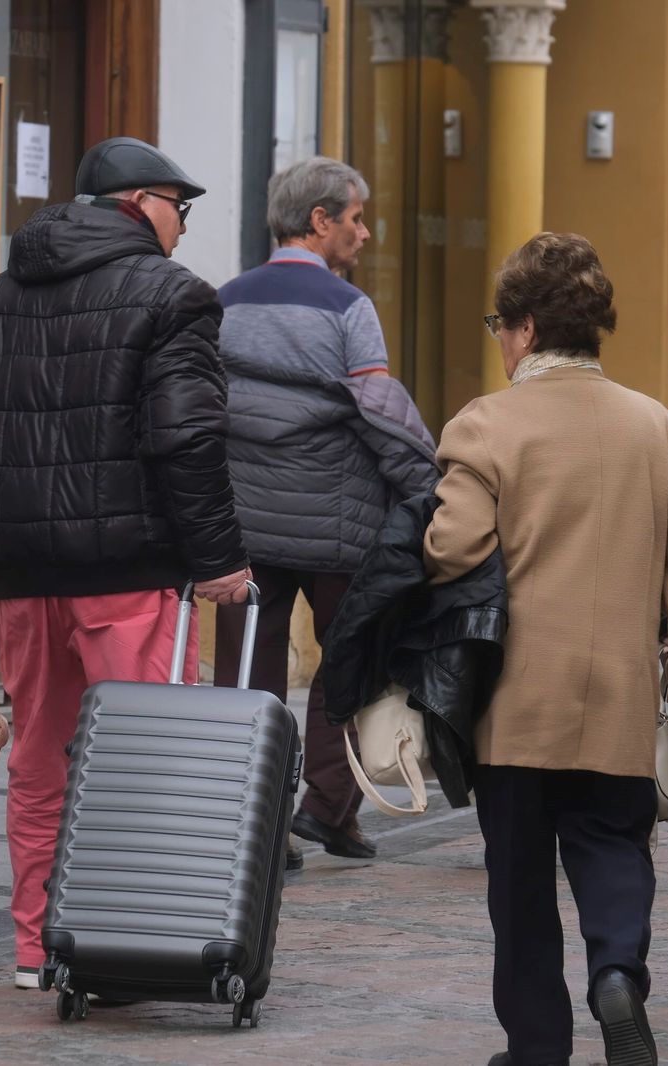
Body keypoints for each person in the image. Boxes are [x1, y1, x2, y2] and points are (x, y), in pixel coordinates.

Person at [0, 136, 252, 991]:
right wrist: (218, 560)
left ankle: (36, 948)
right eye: (182, 205)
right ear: (139, 203)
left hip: (23, 576)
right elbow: (188, 439)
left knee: (40, 758)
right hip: (128, 571)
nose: (184, 224)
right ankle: (117, 943)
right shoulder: (174, 297)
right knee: (141, 762)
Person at [423, 233, 668, 1066]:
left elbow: (452, 548)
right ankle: (617, 974)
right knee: (614, 845)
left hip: (516, 701)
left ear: (521, 327)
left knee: (518, 882)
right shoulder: (660, 429)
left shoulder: (486, 425)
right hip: (620, 692)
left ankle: (537, 1047)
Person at [213, 157, 436, 868]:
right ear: (320, 220)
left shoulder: (226, 300)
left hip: (245, 523)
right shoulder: (348, 308)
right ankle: (329, 807)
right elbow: (379, 414)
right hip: (338, 525)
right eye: (356, 218)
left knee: (247, 673)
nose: (364, 234)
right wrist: (426, 490)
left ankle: (253, 824)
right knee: (349, 661)